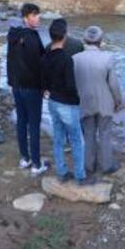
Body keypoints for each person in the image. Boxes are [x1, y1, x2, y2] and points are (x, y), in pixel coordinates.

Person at [41, 19, 91, 185]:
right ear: (64, 35)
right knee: (77, 140)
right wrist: (77, 100)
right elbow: (70, 85)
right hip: (67, 104)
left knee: (58, 139)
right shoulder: (66, 58)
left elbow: (44, 82)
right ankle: (80, 176)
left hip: (52, 102)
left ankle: (62, 172)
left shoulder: (46, 56)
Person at [74, 26, 123, 176]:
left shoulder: (75, 59)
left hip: (85, 101)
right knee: (105, 134)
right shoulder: (108, 58)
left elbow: (74, 83)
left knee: (88, 134)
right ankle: (107, 165)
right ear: (100, 41)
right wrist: (118, 101)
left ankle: (89, 165)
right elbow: (113, 84)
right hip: (105, 102)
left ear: (84, 40)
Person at [7, 3, 47, 175]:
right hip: (31, 87)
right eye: (34, 15)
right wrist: (45, 86)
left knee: (22, 121)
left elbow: (10, 60)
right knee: (34, 124)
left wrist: (11, 82)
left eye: (38, 15)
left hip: (17, 85)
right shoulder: (32, 37)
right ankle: (37, 164)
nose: (38, 18)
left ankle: (25, 158)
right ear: (26, 17)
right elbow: (39, 65)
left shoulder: (13, 35)